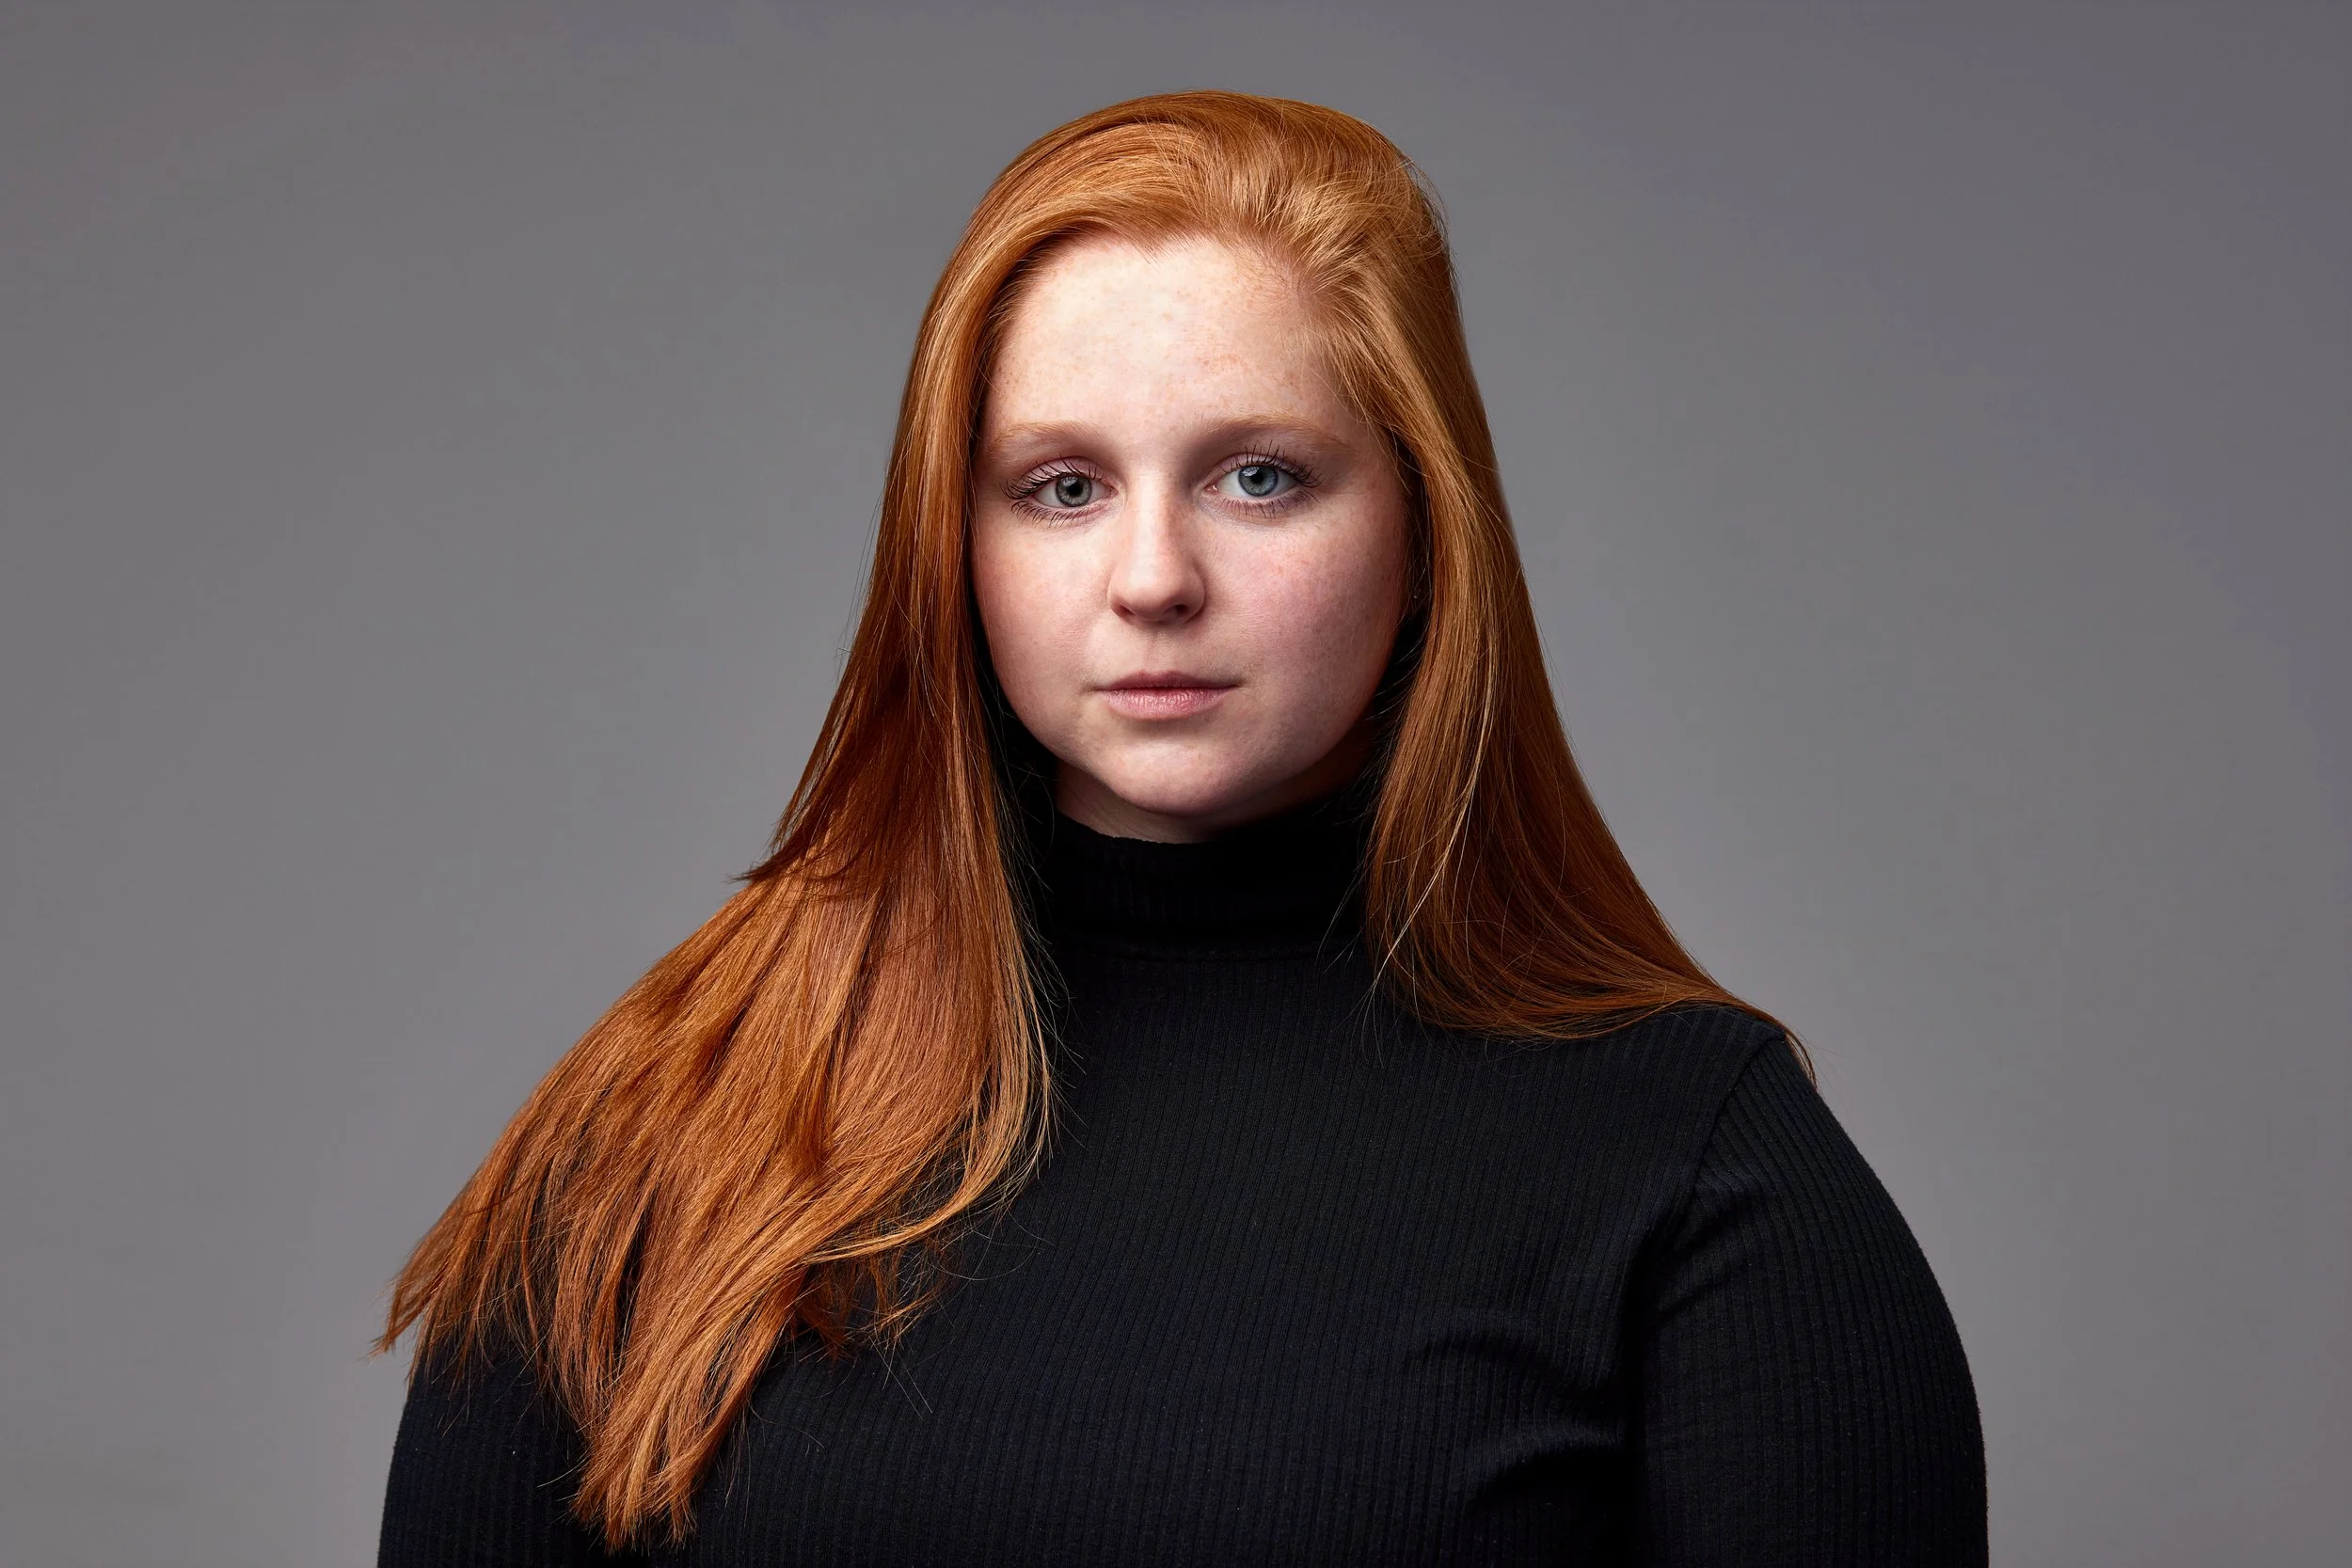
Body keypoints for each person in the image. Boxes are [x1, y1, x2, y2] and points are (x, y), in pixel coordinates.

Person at [374, 90, 1987, 1565]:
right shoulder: (667, 1117)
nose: (1152, 577)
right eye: (1062, 486)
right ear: (955, 546)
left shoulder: (1698, 1166)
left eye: (1261, 477)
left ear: (1427, 528)